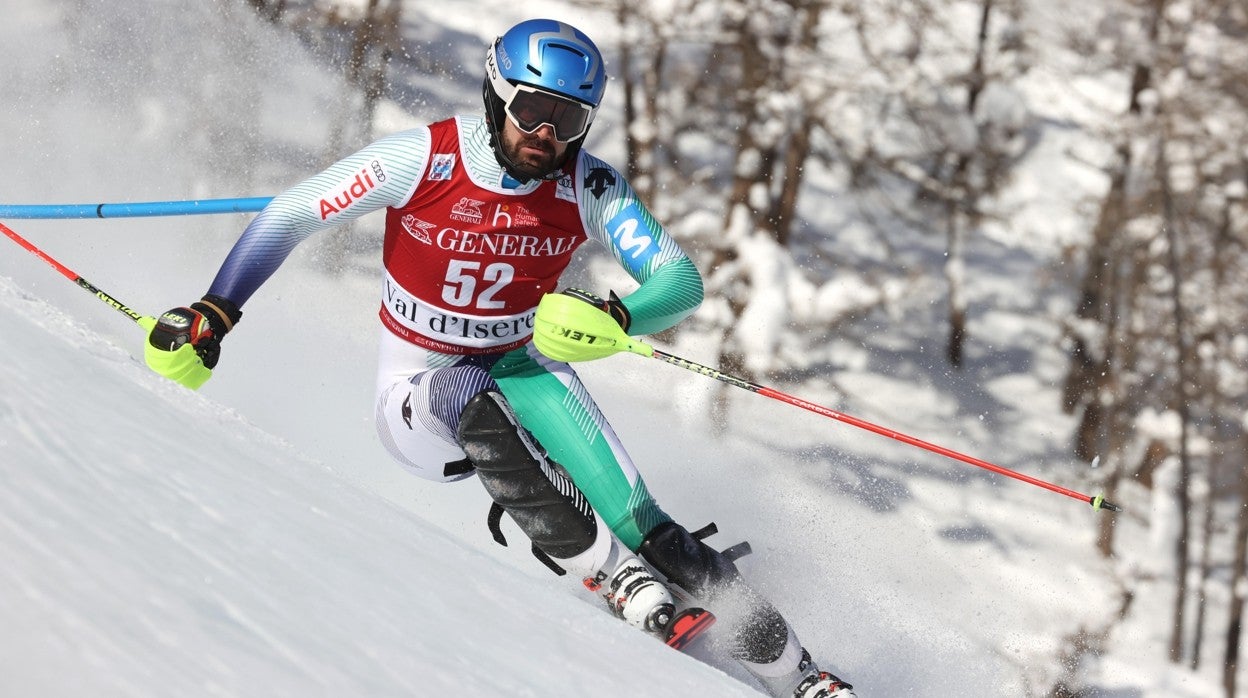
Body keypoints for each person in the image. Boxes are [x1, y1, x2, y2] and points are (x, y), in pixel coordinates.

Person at [144, 18, 854, 698]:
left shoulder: (589, 186)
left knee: (651, 526)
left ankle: (804, 678)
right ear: (496, 93)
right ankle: (614, 576)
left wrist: (618, 315)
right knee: (467, 397)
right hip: (419, 388)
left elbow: (680, 281)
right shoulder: (422, 158)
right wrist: (218, 309)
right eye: (535, 110)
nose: (547, 135)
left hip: (524, 368)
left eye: (569, 120)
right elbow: (291, 213)